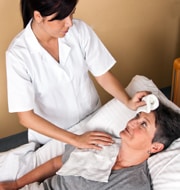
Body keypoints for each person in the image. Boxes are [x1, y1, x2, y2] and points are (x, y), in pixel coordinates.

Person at [5, 0, 148, 151]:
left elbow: (102, 74)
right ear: (38, 16)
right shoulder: (18, 54)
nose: (70, 23)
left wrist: (127, 100)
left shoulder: (79, 31)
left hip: (91, 120)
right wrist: (76, 140)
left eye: (72, 14)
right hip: (53, 137)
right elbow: (26, 117)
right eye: (61, 18)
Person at [0, 103, 179, 190]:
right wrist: (16, 184)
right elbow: (57, 164)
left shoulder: (134, 184)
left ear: (155, 147)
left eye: (143, 124)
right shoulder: (100, 142)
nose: (132, 122)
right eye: (137, 116)